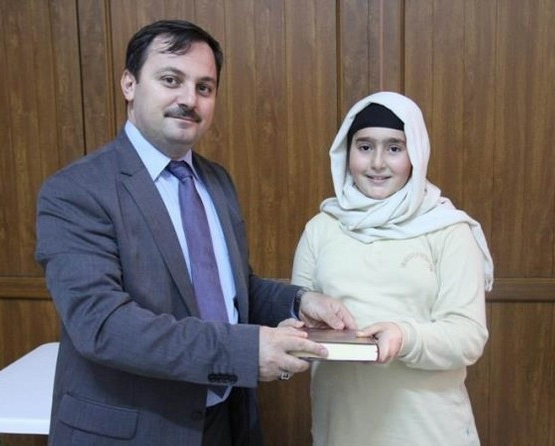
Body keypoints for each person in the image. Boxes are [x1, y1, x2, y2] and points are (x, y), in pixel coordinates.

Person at [35, 19, 355, 446]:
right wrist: (243, 352)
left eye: (204, 87)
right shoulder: (76, 190)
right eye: (171, 80)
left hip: (225, 423)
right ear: (129, 84)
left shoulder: (216, 181)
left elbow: (232, 289)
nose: (189, 99)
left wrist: (299, 301)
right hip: (133, 433)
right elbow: (103, 325)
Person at [290, 91, 494, 445]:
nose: (377, 163)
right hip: (342, 430)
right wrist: (295, 331)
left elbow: (468, 336)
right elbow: (299, 317)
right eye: (365, 147)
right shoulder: (321, 228)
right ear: (346, 153)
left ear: (416, 154)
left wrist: (404, 338)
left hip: (430, 431)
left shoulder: (447, 229)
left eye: (394, 148)